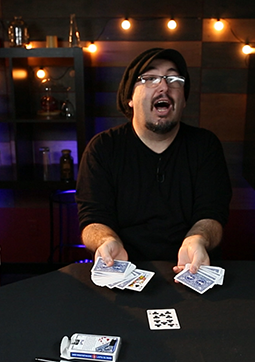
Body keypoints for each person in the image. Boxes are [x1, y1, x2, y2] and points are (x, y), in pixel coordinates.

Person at [76, 48, 232, 273]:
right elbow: (93, 217)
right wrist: (106, 240)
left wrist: (198, 239)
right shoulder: (102, 148)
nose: (164, 87)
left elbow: (212, 213)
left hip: (191, 268)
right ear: (130, 98)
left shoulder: (205, 145)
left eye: (174, 79)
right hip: (124, 269)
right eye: (150, 78)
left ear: (183, 99)